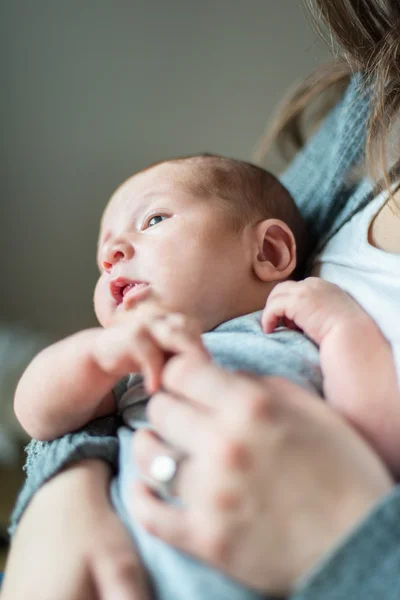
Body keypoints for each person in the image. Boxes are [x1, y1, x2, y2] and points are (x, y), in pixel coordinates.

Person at [3, 1, 400, 599]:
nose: (113, 254)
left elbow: (378, 451)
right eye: (105, 251)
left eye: (153, 219)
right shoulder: (134, 356)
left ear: (269, 254)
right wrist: (94, 368)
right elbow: (37, 413)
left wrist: (343, 332)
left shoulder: (297, 331)